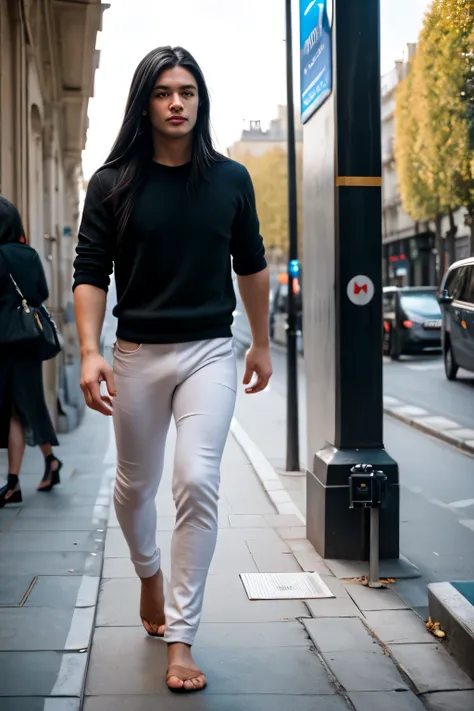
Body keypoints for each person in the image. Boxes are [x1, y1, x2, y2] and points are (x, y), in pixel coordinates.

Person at [73, 46, 272, 693]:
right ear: (145, 103)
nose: (178, 102)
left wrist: (260, 342)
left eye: (187, 91)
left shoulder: (231, 180)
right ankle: (149, 573)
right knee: (135, 487)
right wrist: (90, 350)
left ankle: (181, 638)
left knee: (197, 479)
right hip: (135, 352)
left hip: (210, 349)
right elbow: (88, 273)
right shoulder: (112, 183)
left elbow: (253, 266)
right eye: (164, 92)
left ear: (200, 100)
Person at [0, 197, 62, 507]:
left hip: (4, 343)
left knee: (20, 408)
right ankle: (22, 478)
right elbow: (41, 294)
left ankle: (19, 480)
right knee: (24, 407)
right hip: (26, 342)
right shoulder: (29, 253)